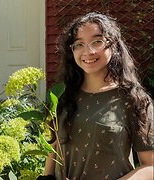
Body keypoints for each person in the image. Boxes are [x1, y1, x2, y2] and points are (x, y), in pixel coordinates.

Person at [41, 12, 154, 180]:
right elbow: (56, 146)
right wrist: (46, 177)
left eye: (97, 41)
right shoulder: (63, 96)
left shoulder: (134, 100)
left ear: (113, 45)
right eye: (79, 44)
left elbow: (150, 166)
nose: (88, 51)